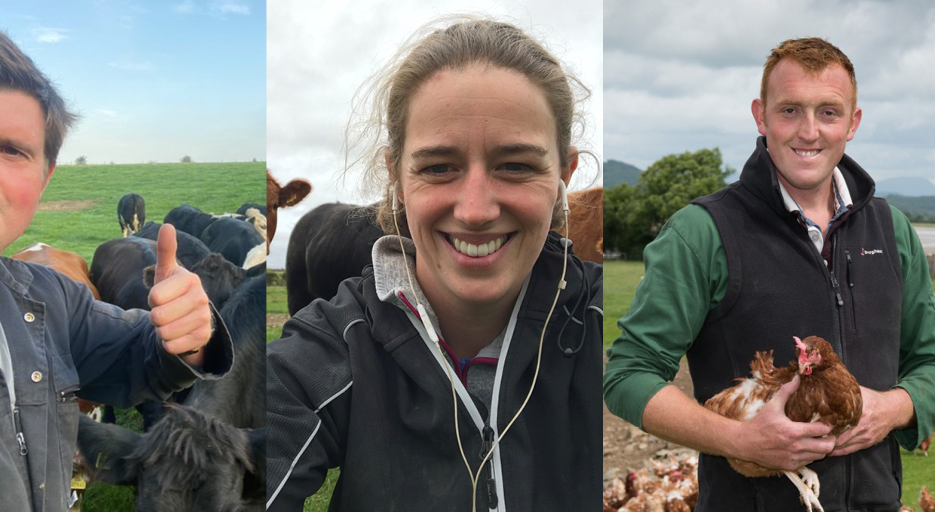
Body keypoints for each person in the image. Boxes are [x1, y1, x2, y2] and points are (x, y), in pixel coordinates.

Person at [266, 18, 603, 511]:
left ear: (563, 176)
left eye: (517, 165)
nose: (475, 210)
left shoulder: (601, 322)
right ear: (396, 178)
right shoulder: (324, 353)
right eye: (438, 167)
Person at [0, 13, 232, 510]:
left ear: (43, 178)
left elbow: (135, 355)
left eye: (12, 150)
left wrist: (188, 337)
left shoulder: (47, 297)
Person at [603, 37, 935, 510]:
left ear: (853, 123)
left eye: (828, 112)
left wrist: (893, 408)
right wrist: (740, 440)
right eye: (789, 111)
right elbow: (629, 373)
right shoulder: (703, 232)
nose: (809, 131)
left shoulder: (892, 229)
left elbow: (929, 360)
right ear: (760, 115)